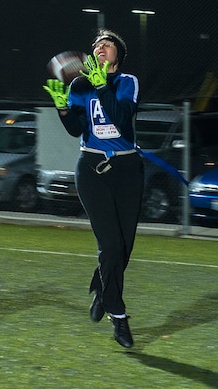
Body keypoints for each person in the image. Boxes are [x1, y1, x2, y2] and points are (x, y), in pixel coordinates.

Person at [43, 30, 143, 348]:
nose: (100, 48)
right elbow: (76, 129)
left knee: (123, 248)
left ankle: (102, 288)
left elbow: (123, 119)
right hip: (91, 169)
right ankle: (118, 315)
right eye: (97, 45)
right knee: (110, 244)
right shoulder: (79, 85)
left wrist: (103, 85)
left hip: (127, 170)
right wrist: (62, 108)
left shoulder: (128, 82)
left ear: (118, 55)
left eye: (108, 44)